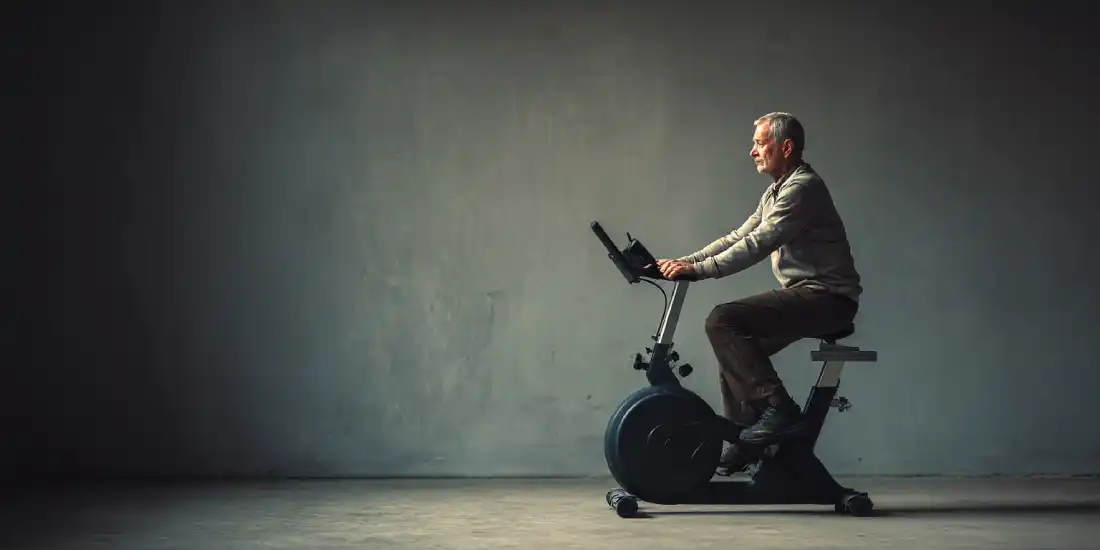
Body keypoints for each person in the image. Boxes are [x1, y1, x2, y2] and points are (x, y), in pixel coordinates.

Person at [654, 112, 863, 475]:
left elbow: (760, 243)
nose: (752, 151)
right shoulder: (776, 190)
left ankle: (779, 410)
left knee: (723, 320)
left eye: (759, 143)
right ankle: (746, 441)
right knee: (734, 350)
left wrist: (699, 271)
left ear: (786, 147)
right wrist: (684, 262)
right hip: (808, 294)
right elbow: (738, 236)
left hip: (828, 299)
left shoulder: (803, 188)